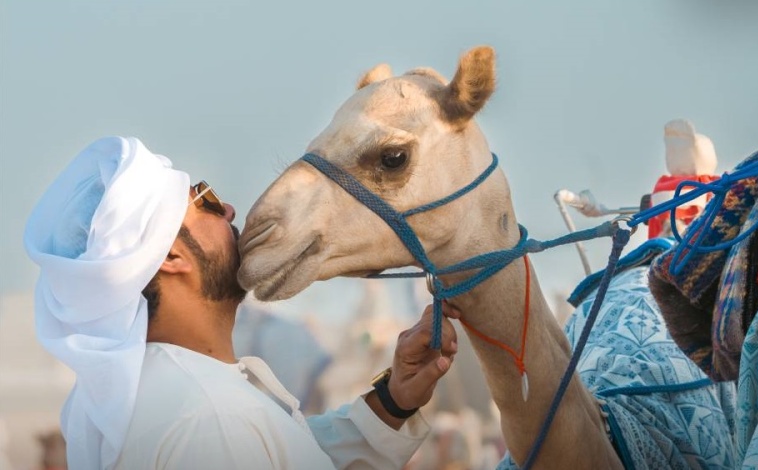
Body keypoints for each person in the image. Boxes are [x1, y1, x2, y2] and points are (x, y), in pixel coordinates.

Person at [24, 136, 459, 469]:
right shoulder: (210, 417)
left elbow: (297, 455)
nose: (229, 210)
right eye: (204, 200)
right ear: (172, 254)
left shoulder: (176, 394)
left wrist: (393, 399)